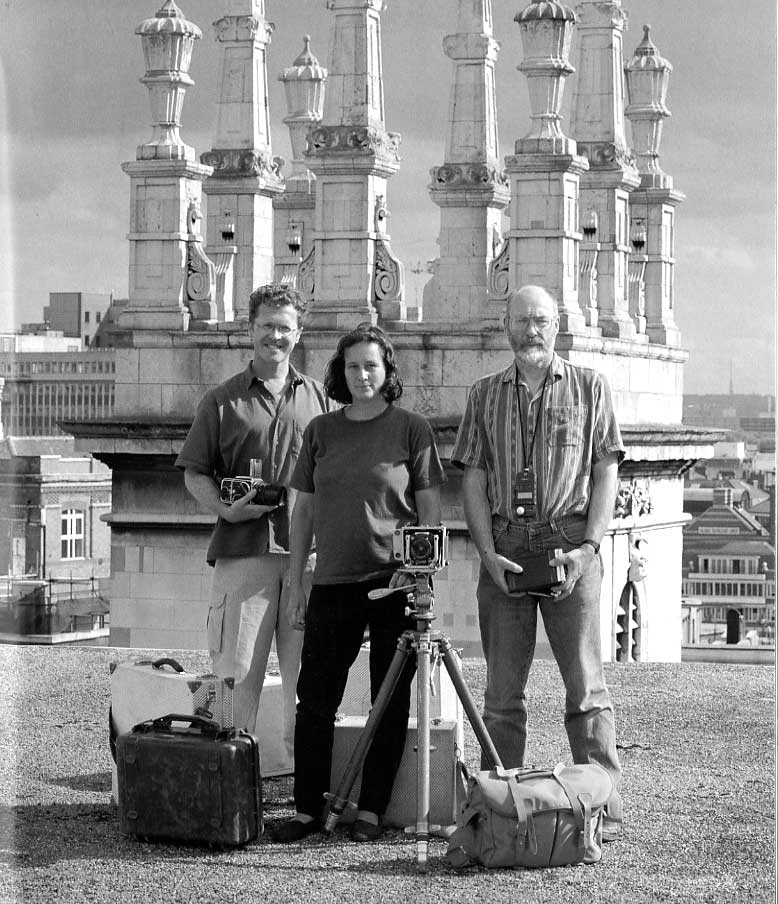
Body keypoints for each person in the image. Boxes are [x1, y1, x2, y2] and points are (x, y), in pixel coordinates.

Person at [451, 284, 624, 841]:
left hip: (569, 543)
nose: (532, 329)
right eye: (522, 320)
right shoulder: (483, 395)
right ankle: (499, 808)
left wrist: (589, 548)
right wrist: (484, 551)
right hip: (505, 547)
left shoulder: (590, 387)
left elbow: (605, 472)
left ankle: (603, 806)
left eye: (541, 320)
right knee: (503, 693)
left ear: (557, 326)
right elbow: (472, 477)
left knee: (585, 685)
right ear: (507, 326)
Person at [276, 324, 445, 843]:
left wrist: (420, 574)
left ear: (387, 371)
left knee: (388, 700)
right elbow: (302, 511)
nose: (362, 374)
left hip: (393, 584)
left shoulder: (412, 429)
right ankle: (308, 809)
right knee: (316, 699)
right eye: (353, 366)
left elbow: (430, 511)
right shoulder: (322, 432)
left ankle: (371, 810)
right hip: (332, 581)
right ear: (340, 373)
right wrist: (296, 578)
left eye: (371, 365)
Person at [175, 284, 336, 753]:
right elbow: (194, 473)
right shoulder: (222, 400)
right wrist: (225, 508)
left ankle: (304, 793)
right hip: (243, 554)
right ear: (250, 329)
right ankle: (218, 786)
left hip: (306, 559)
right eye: (266, 326)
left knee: (308, 679)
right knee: (232, 675)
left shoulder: (322, 400)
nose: (275, 336)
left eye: (285, 328)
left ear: (299, 333)